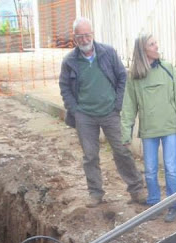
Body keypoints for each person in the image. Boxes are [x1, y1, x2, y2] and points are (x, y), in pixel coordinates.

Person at [59, 17, 145, 209]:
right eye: (80, 36)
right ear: (74, 38)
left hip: (110, 112)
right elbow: (64, 87)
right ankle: (95, 193)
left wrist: (118, 104)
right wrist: (75, 109)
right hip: (84, 116)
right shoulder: (69, 61)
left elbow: (123, 77)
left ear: (93, 34)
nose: (84, 39)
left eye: (87, 35)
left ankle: (136, 189)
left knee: (122, 150)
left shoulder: (108, 53)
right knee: (90, 156)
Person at [121, 34, 176, 223]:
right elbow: (129, 107)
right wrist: (126, 133)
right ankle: (154, 203)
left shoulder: (168, 69)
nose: (157, 46)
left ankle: (174, 205)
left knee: (171, 169)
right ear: (143, 51)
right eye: (152, 44)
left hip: (170, 129)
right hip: (149, 130)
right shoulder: (135, 76)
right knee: (150, 169)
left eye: (156, 43)